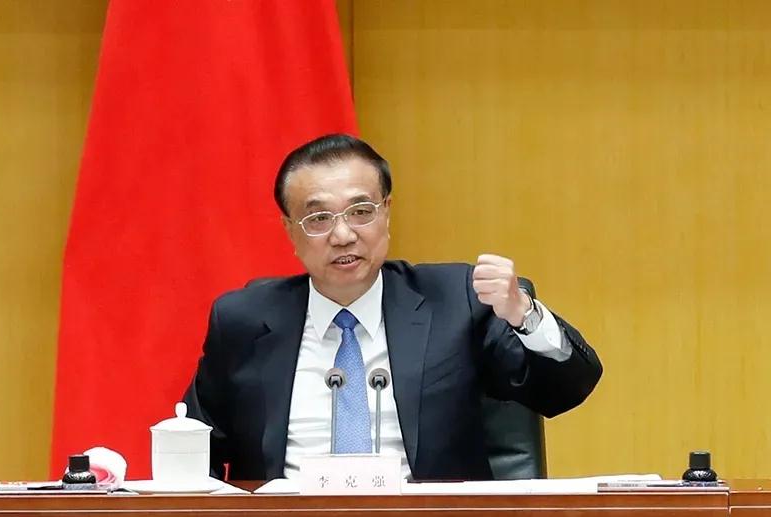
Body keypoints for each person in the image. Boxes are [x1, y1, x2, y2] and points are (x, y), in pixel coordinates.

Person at [183, 134, 602, 481]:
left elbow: (565, 390)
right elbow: (195, 455)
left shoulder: (456, 301)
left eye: (361, 212)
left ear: (387, 213)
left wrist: (524, 315)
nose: (343, 235)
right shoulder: (244, 321)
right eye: (319, 219)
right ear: (290, 231)